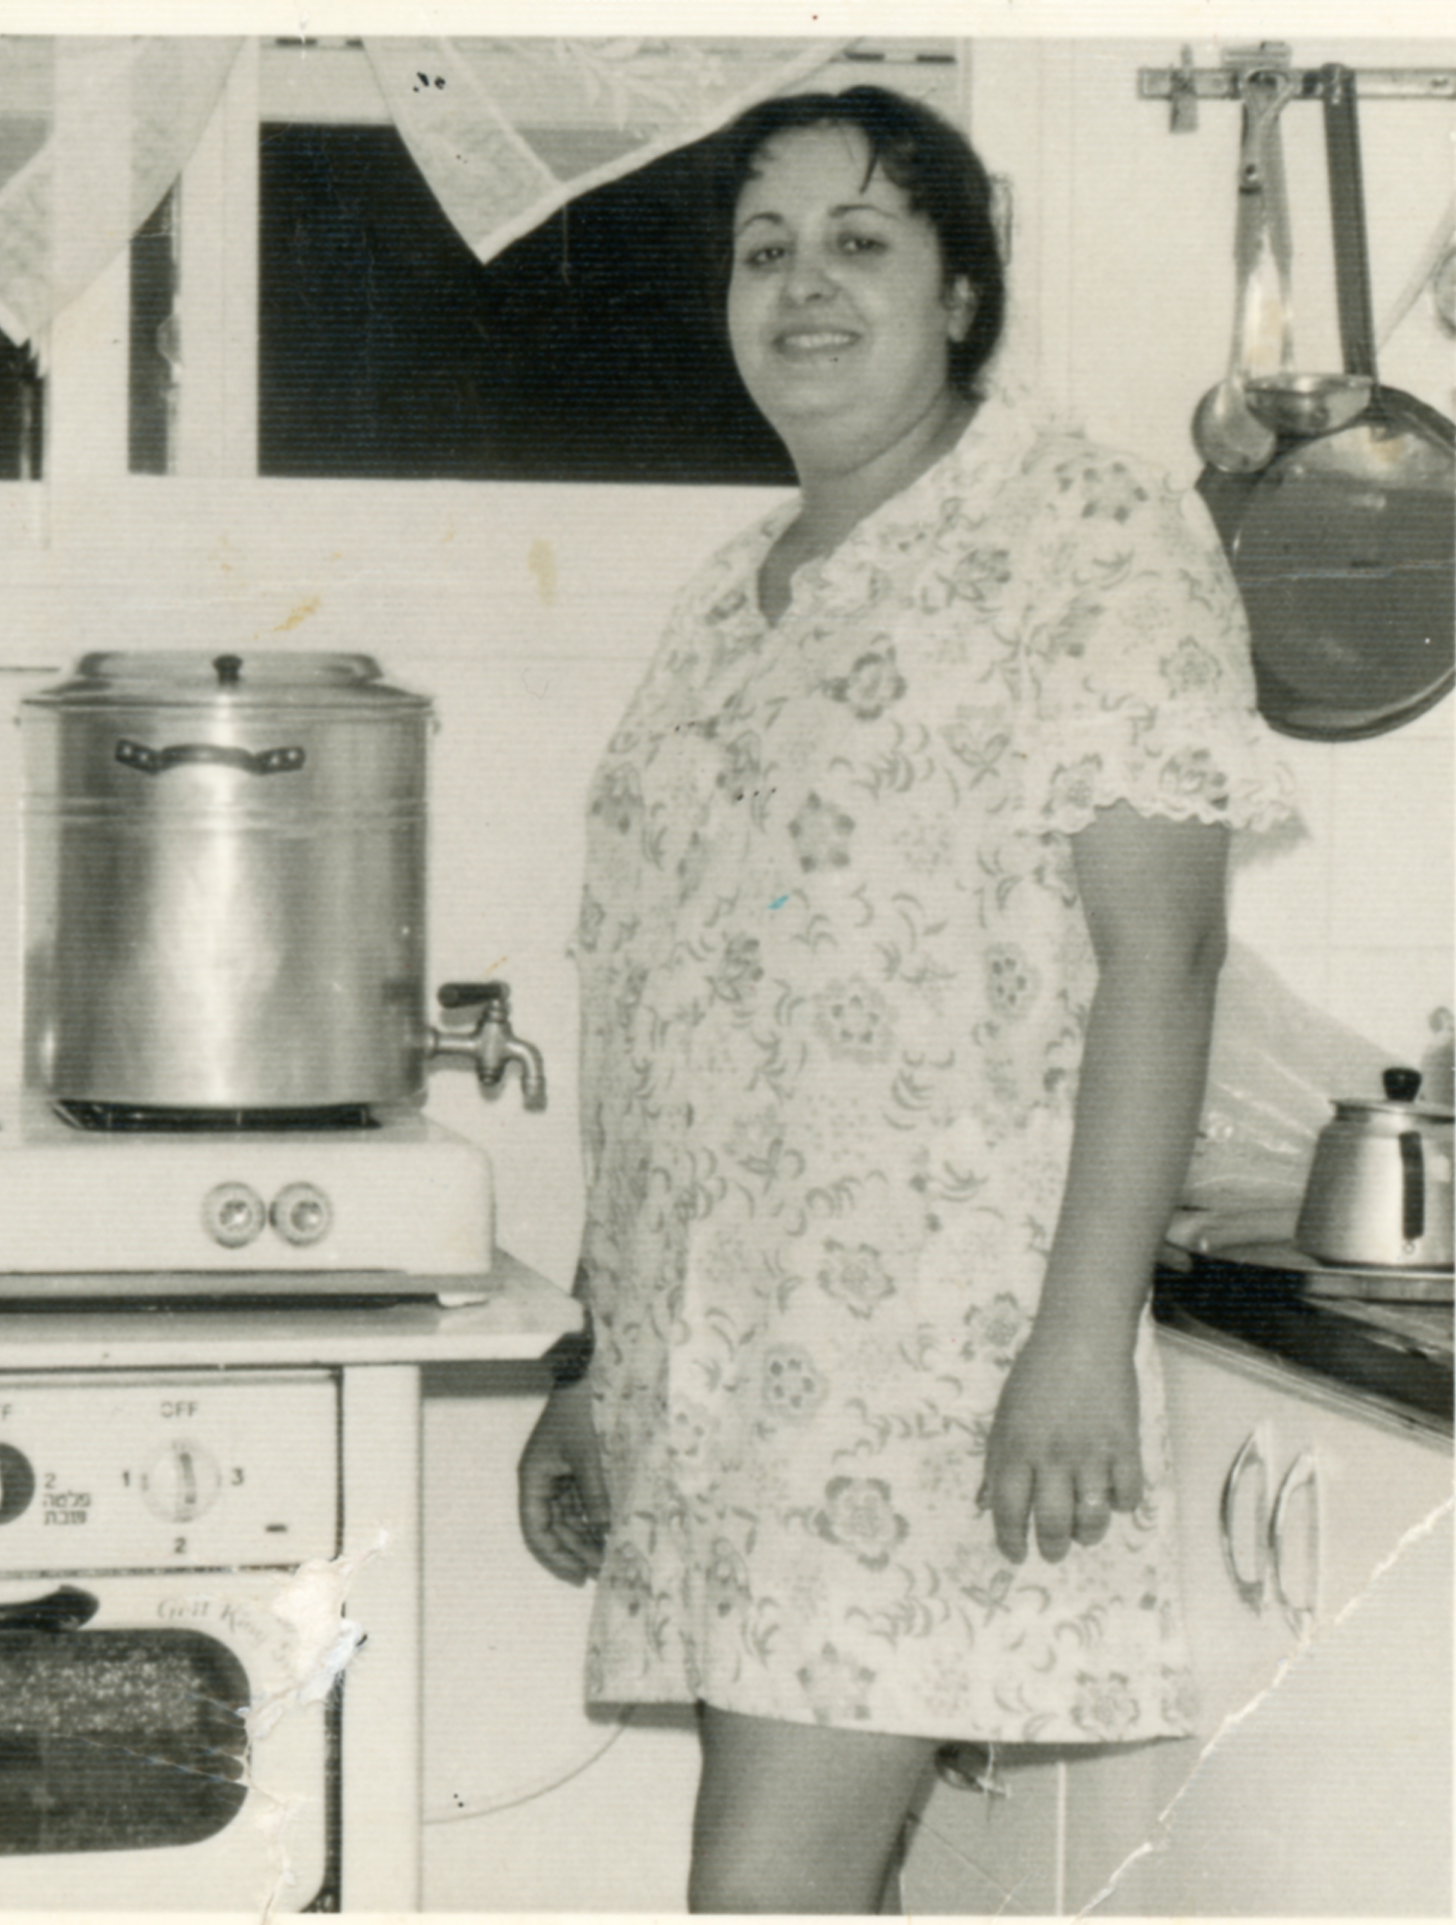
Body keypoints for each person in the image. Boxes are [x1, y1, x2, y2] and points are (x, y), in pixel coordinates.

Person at [516, 89, 1295, 1913]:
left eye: (860, 242)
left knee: (762, 1895)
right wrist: (598, 1367)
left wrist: (1079, 1341)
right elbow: (668, 1013)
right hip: (728, 1383)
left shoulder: (1086, 536)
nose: (803, 285)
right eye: (764, 250)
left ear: (960, 293)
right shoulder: (732, 602)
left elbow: (1162, 955)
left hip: (931, 1374)